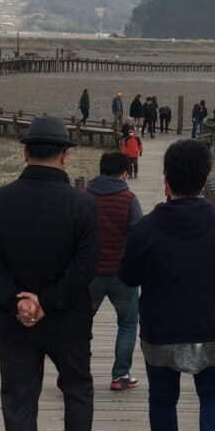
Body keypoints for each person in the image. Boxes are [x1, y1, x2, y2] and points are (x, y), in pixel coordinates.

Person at [0, 117, 101, 431]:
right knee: (77, 389)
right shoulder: (83, 204)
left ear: (25, 152)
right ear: (65, 155)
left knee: (19, 399)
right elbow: (86, 266)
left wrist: (17, 302)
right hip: (69, 319)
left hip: (15, 322)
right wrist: (49, 301)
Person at [118, 140, 215, 431]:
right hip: (211, 326)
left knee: (162, 399)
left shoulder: (147, 228)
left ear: (165, 181)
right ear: (205, 180)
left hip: (162, 328)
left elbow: (127, 276)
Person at [86, 152, 145, 392]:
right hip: (122, 273)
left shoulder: (84, 197)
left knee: (80, 323)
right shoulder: (129, 199)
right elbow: (138, 237)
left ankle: (75, 372)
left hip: (90, 273)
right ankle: (121, 375)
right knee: (128, 323)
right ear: (124, 173)